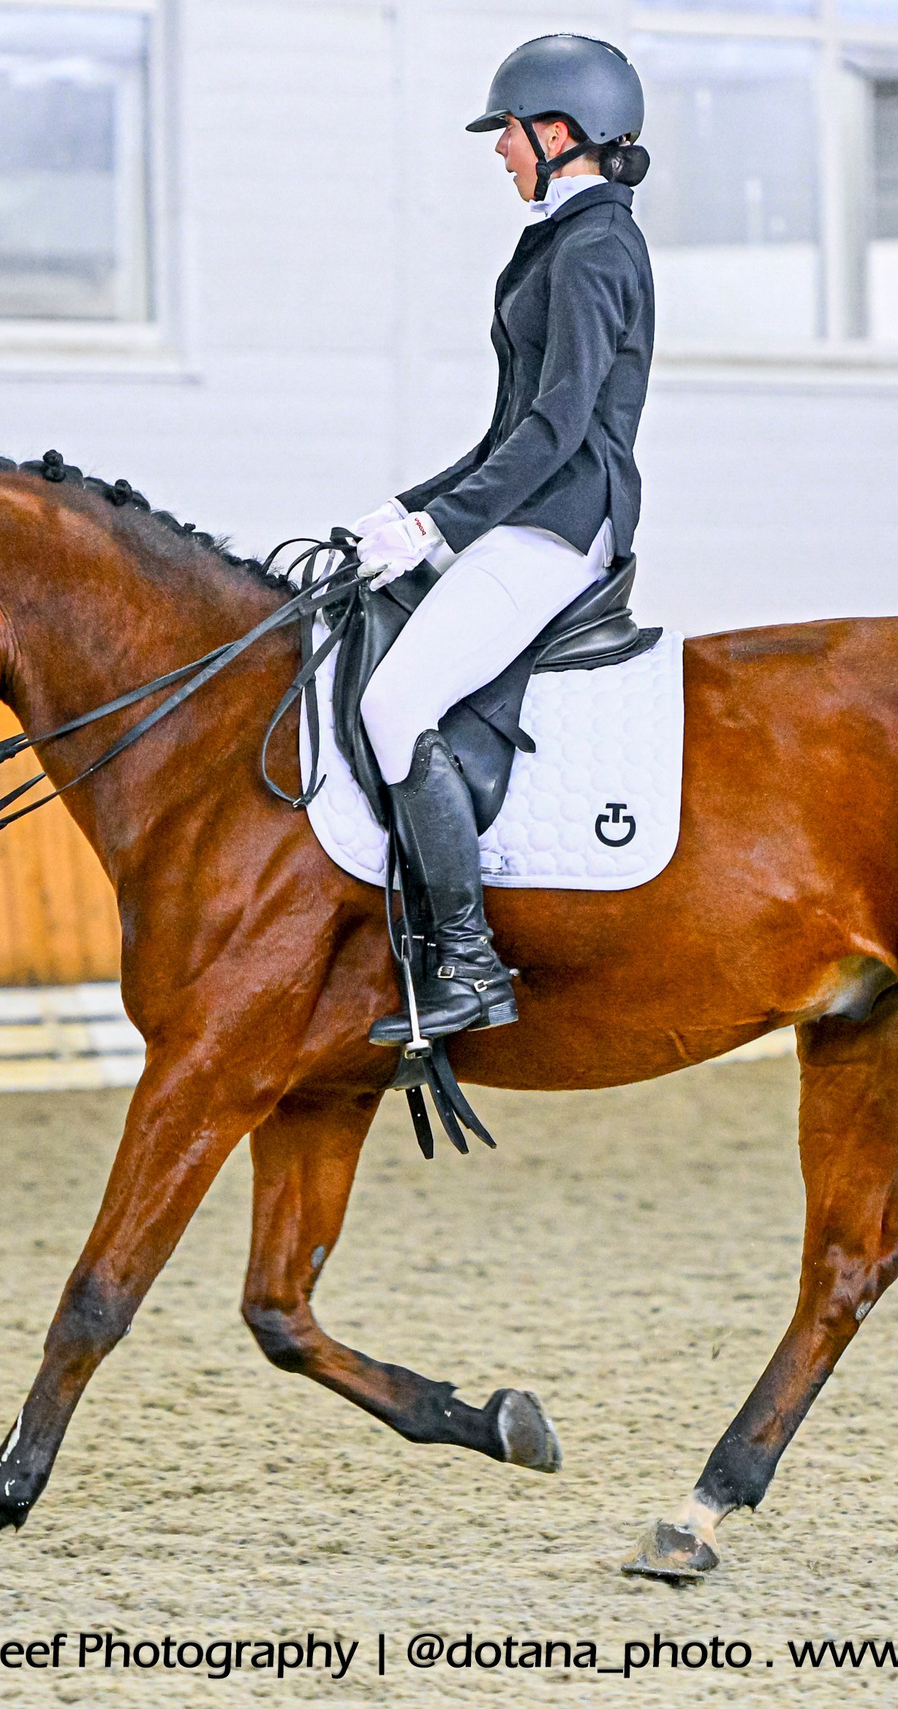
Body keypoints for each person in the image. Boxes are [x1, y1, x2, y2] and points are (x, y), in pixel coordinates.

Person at [347, 33, 655, 1047]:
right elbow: (504, 430)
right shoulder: (564, 238)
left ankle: (468, 961)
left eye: (507, 134)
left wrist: (443, 524)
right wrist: (408, 510)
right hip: (528, 508)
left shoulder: (596, 245)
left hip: (563, 522)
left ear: (557, 134)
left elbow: (558, 426)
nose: (498, 152)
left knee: (393, 702)